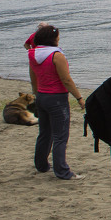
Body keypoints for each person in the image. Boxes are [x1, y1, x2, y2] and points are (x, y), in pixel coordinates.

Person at [28, 24, 85, 179]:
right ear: (53, 38)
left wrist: (36, 92)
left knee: (45, 133)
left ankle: (41, 164)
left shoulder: (32, 53)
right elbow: (66, 79)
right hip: (57, 98)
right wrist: (79, 98)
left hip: (41, 95)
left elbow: (33, 76)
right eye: (57, 36)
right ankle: (62, 171)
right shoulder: (56, 55)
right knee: (60, 136)